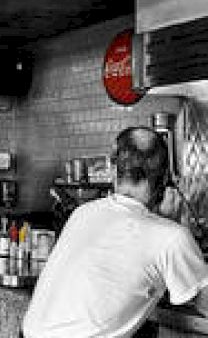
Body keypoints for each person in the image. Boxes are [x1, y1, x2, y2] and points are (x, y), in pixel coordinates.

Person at [22, 126, 208, 338]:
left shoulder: (83, 213)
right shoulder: (171, 237)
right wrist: (171, 223)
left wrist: (165, 223)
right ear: (165, 179)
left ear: (114, 171)